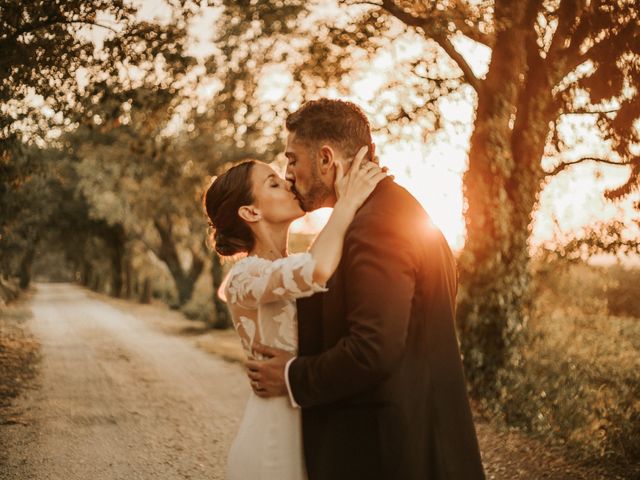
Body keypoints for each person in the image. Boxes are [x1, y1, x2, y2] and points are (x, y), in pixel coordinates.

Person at [246, 98, 486, 480]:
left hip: (391, 455)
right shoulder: (385, 211)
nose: (288, 172)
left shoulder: (378, 225)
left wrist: (291, 376)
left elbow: (373, 349)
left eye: (292, 159)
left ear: (326, 159)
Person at [203, 145, 388, 480]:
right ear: (250, 213)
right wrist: (347, 202)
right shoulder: (244, 277)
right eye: (272, 184)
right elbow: (315, 271)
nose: (287, 183)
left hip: (316, 427)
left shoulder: (292, 263)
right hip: (276, 435)